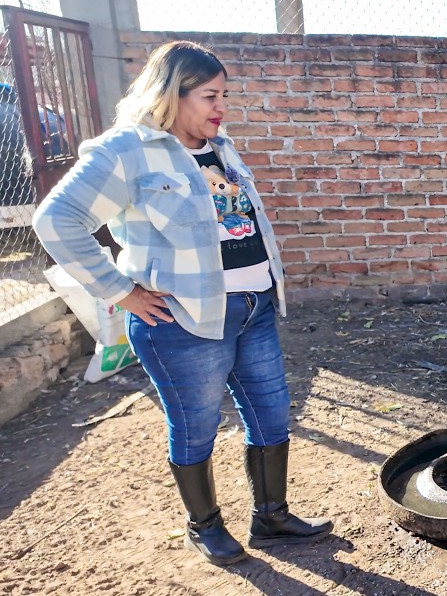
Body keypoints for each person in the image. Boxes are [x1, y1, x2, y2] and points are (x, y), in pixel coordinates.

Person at [32, 41, 331, 566]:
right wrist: (121, 291)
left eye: (224, 96)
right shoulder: (126, 150)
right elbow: (56, 221)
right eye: (210, 96)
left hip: (253, 308)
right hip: (181, 320)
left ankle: (271, 518)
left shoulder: (219, 146)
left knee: (271, 414)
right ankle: (204, 525)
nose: (221, 107)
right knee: (196, 425)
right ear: (172, 93)